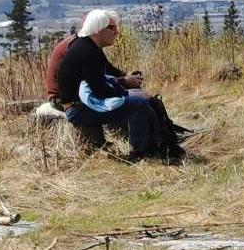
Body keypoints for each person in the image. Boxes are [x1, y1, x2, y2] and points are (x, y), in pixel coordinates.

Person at [54, 10, 179, 161]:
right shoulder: (88, 53)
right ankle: (142, 152)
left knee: (140, 99)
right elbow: (101, 91)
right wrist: (129, 92)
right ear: (99, 30)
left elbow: (108, 73)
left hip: (81, 105)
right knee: (139, 103)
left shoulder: (88, 46)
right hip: (79, 110)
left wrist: (126, 79)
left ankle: (152, 144)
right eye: (112, 28)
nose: (117, 32)